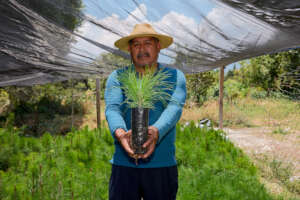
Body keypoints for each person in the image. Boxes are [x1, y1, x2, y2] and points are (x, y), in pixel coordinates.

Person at [104, 23, 186, 200]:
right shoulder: (118, 77)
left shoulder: (174, 76)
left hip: (161, 165)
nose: (142, 49)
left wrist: (156, 131)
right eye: (136, 45)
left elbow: (174, 107)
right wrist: (120, 133)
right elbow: (112, 108)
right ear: (130, 49)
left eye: (148, 43)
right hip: (124, 165)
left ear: (158, 47)